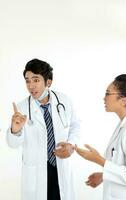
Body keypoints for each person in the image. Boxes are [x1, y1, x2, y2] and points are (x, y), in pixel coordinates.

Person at [7, 58, 81, 200]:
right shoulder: (21, 108)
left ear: (48, 82)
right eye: (27, 81)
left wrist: (71, 144)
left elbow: (75, 126)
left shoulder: (64, 101)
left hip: (60, 164)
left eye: (36, 80)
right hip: (36, 170)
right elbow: (13, 144)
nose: (31, 86)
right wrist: (15, 130)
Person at [75, 74, 126, 200]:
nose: (103, 98)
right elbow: (122, 165)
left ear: (123, 100)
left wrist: (98, 160)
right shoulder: (124, 124)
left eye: (108, 93)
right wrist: (104, 175)